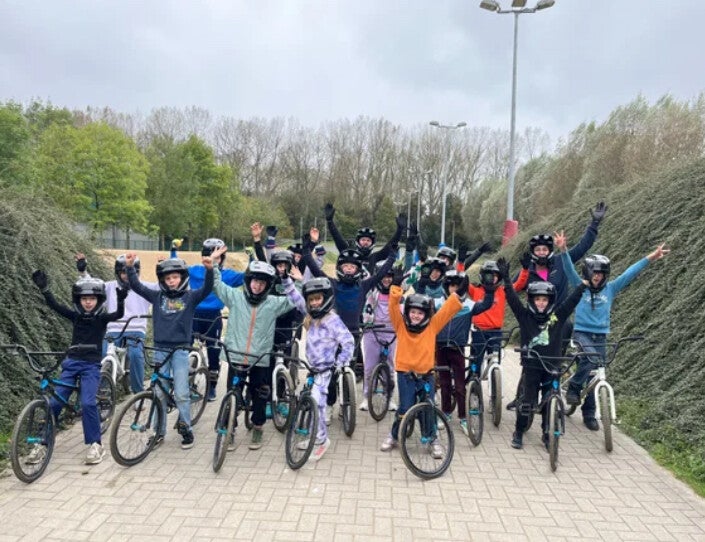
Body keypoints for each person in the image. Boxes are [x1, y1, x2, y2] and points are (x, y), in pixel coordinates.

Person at [556, 231, 670, 430]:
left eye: (600, 274)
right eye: (594, 273)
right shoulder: (579, 286)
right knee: (590, 360)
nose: (597, 277)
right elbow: (568, 268)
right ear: (588, 273)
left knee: (595, 375)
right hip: (581, 333)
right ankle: (573, 387)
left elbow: (630, 273)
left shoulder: (610, 288)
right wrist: (564, 249)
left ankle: (589, 414)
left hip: (601, 336)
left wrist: (651, 257)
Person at [301, 227, 396, 424]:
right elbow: (315, 268)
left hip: (352, 336)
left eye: (353, 267)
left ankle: (346, 404)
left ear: (358, 270)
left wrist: (392, 256)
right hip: (331, 337)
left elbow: (380, 275)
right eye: (346, 266)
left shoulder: (363, 286)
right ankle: (329, 406)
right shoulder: (332, 284)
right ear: (340, 268)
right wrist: (308, 247)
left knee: (347, 371)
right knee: (331, 374)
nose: (349, 269)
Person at [30, 272, 126, 464]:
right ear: (78, 300)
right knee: (55, 403)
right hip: (72, 363)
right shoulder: (76, 316)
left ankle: (96, 445)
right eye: (84, 299)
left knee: (88, 403)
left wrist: (121, 300)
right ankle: (42, 444)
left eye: (92, 299)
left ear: (99, 300)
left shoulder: (101, 319)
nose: (88, 302)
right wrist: (45, 289)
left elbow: (118, 315)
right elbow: (55, 306)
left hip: (91, 365)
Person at [208, 245, 296, 450]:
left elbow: (295, 300)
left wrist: (295, 282)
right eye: (255, 281)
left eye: (262, 283)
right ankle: (229, 429)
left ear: (267, 286)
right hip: (236, 357)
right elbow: (217, 285)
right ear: (248, 281)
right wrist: (214, 263)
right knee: (232, 393)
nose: (257, 286)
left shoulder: (273, 303)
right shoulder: (235, 297)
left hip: (260, 359)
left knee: (260, 394)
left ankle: (258, 426)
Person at [125, 253, 214, 449]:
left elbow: (208, 288)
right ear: (162, 280)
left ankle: (186, 428)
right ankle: (158, 432)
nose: (172, 281)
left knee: (181, 393)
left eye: (175, 277)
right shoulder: (157, 297)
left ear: (182, 278)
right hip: (160, 349)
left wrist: (209, 270)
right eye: (168, 278)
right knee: (159, 392)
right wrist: (130, 268)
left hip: (180, 350)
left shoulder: (190, 297)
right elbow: (137, 286)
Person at [496, 257, 587, 450]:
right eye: (537, 299)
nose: (541, 303)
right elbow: (512, 299)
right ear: (531, 300)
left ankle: (547, 433)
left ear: (550, 301)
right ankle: (519, 431)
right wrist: (506, 279)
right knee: (527, 402)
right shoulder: (525, 316)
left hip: (552, 366)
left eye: (544, 299)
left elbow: (571, 301)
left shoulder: (557, 317)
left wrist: (583, 285)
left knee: (549, 401)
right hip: (531, 366)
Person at [379, 268, 464, 457]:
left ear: (426, 315)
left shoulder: (432, 325)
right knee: (404, 408)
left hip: (426, 375)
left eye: (420, 313)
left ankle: (431, 439)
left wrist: (458, 294)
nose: (416, 316)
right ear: (407, 312)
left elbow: (448, 310)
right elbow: (393, 307)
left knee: (428, 407)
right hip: (405, 374)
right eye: (412, 312)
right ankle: (394, 435)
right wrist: (396, 287)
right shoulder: (401, 325)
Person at [283, 272, 354, 461]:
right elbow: (295, 296)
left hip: (325, 371)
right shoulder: (310, 316)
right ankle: (314, 436)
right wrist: (285, 278)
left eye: (318, 299)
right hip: (312, 369)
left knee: (319, 405)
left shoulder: (332, 320)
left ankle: (322, 441)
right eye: (311, 300)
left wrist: (341, 363)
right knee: (310, 403)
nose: (314, 303)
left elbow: (348, 341)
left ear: (326, 298)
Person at [172, 238, 245, 402]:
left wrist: (173, 249)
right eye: (211, 256)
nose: (213, 259)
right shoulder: (198, 271)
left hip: (209, 316)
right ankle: (191, 384)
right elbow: (176, 267)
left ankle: (208, 386)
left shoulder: (224, 274)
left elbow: (246, 277)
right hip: (198, 314)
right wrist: (173, 250)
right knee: (190, 349)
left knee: (210, 352)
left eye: (217, 257)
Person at [435, 269, 495, 435]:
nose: (454, 289)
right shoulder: (437, 303)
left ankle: (462, 417)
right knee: (445, 384)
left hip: (458, 349)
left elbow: (486, 305)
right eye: (451, 286)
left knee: (461, 386)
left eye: (457, 286)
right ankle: (446, 413)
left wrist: (490, 291)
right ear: (446, 287)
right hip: (440, 348)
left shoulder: (468, 304)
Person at [467, 260, 529, 368]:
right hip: (479, 332)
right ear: (482, 275)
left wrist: (525, 270)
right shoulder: (475, 290)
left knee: (495, 360)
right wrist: (461, 263)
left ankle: (494, 376)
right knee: (475, 362)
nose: (492, 278)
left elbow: (518, 285)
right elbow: (461, 280)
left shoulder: (502, 291)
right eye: (489, 275)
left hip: (495, 332)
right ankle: (473, 376)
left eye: (495, 275)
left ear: (499, 277)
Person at [359, 261, 400, 412]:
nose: (386, 279)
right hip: (371, 331)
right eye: (383, 276)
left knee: (389, 367)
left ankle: (389, 397)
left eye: (389, 276)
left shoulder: (397, 291)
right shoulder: (371, 288)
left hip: (391, 332)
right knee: (369, 367)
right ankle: (366, 397)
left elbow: (411, 277)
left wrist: (419, 261)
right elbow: (361, 269)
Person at [324, 202, 406, 273]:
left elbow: (389, 246)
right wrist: (330, 222)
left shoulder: (374, 257)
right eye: (363, 240)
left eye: (368, 240)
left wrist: (399, 230)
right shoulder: (350, 254)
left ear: (372, 243)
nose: (365, 242)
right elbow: (338, 239)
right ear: (358, 241)